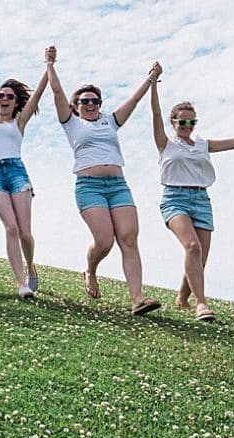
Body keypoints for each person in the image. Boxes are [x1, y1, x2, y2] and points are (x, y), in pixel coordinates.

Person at [46, 46, 162, 315]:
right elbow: (56, 93)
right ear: (76, 106)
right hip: (89, 187)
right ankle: (91, 269)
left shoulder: (110, 121)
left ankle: (137, 299)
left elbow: (132, 102)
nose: (89, 105)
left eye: (94, 101)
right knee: (105, 241)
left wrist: (151, 78)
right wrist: (50, 63)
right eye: (84, 101)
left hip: (119, 186)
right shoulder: (72, 123)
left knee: (129, 238)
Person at [149, 75, 234, 322]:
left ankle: (183, 297)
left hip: (202, 199)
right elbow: (156, 115)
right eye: (182, 121)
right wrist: (153, 84)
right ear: (174, 122)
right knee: (192, 246)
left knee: (199, 256)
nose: (187, 125)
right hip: (175, 198)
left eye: (191, 121)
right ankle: (201, 304)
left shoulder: (202, 145)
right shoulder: (166, 144)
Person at [0, 57, 50, 298]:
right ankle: (21, 284)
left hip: (17, 173)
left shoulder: (19, 122)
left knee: (25, 233)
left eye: (9, 96)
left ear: (16, 102)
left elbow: (38, 94)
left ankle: (30, 266)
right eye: (0, 96)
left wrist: (49, 64)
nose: (4, 99)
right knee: (11, 228)